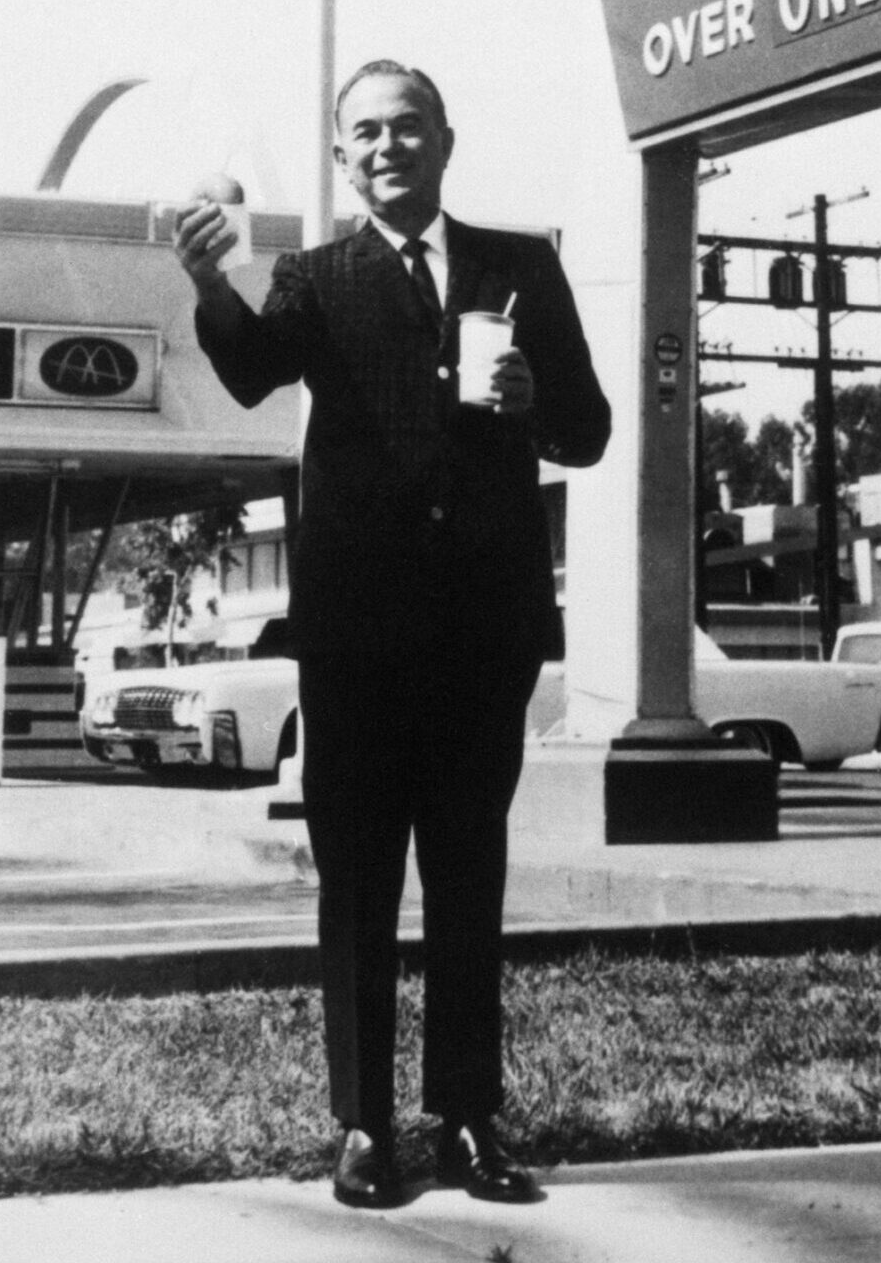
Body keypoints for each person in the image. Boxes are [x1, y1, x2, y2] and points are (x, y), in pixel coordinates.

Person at [174, 60, 610, 1209]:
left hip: (483, 625)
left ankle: (468, 1122)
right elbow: (254, 369)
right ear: (340, 155)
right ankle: (364, 1127)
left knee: (470, 871)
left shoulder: (524, 268)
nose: (387, 147)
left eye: (406, 128)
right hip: (358, 630)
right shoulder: (317, 279)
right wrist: (210, 283)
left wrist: (535, 404)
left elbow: (593, 429)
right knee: (358, 877)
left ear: (446, 140)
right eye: (364, 132)